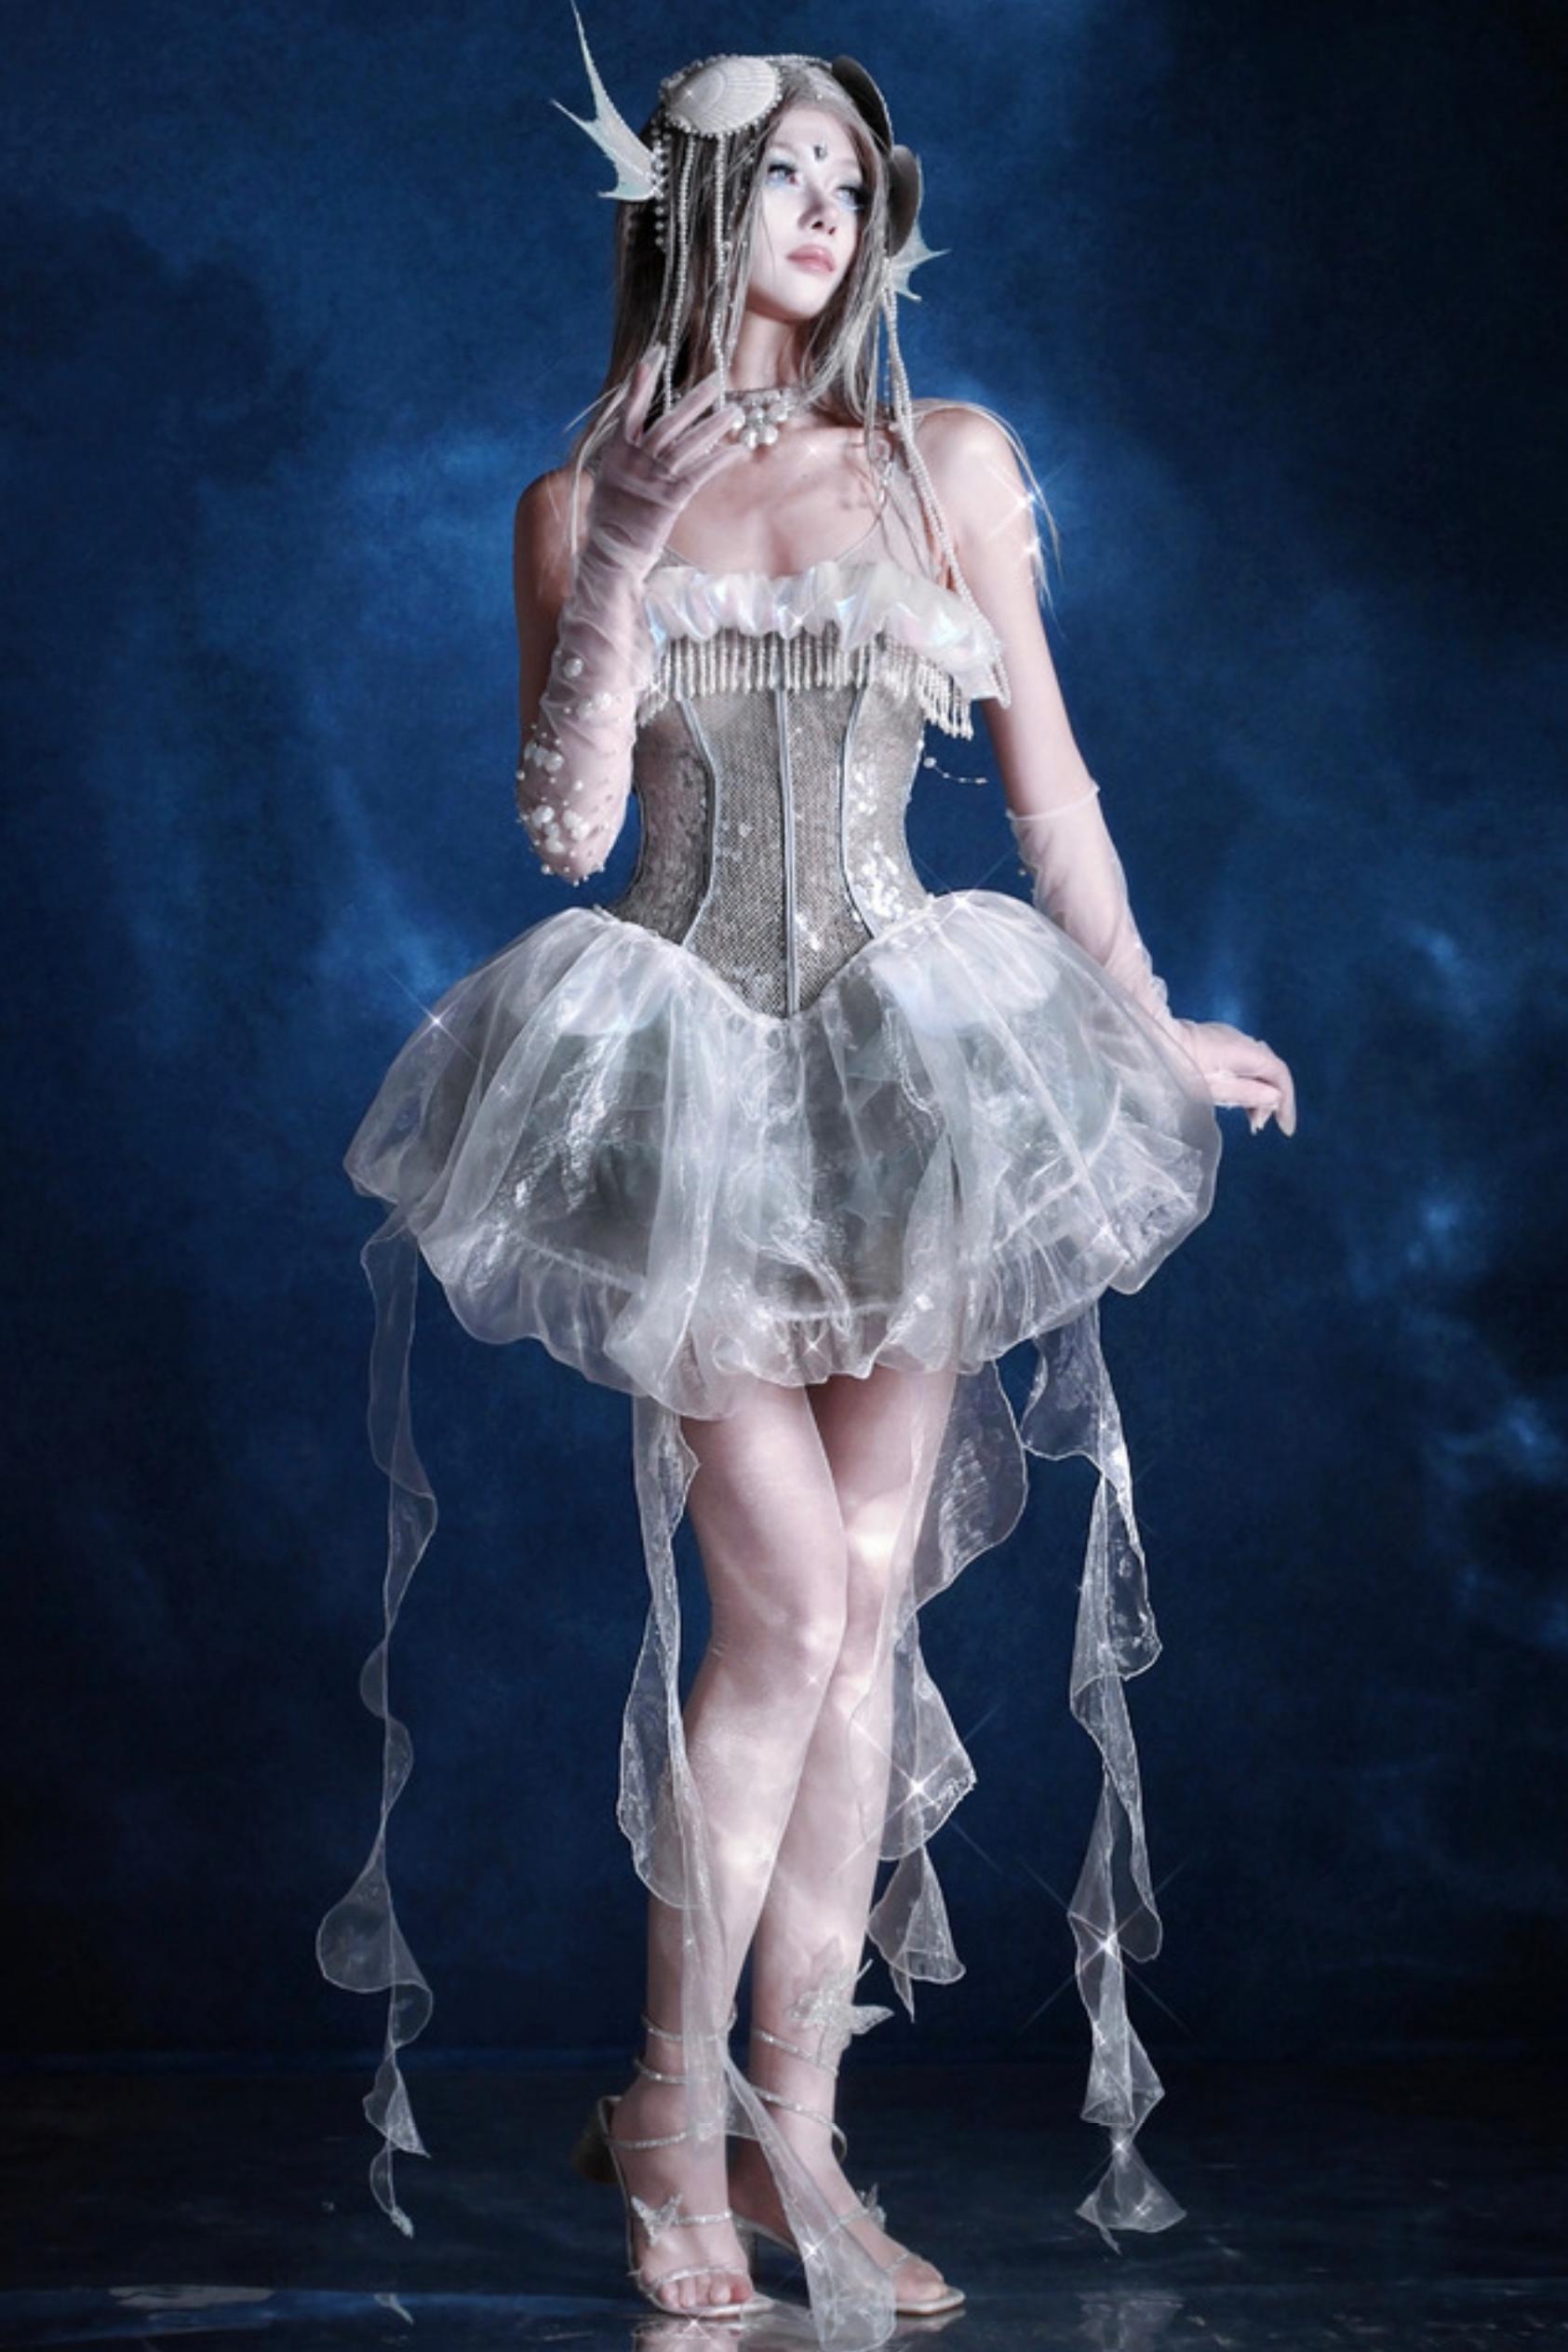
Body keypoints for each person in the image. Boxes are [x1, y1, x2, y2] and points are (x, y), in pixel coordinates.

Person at [316, 25, 1297, 2350]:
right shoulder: (574, 500)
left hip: (906, 1074)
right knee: (785, 1599)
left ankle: (794, 2121)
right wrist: (623, 556)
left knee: (860, 1601)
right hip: (682, 1089)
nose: (830, 209)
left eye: (853, 175)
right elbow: (566, 829)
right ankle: (677, 2112)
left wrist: (1146, 1019)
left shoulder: (943, 460)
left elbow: (1050, 785)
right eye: (781, 174)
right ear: (689, 209)